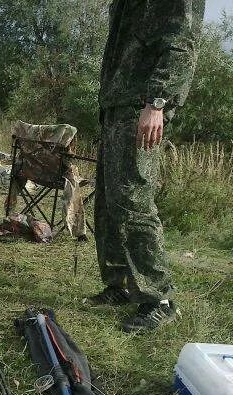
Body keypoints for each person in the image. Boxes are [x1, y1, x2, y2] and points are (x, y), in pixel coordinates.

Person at [87, 0, 204, 332]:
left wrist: (158, 101)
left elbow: (181, 44)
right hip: (116, 105)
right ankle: (120, 285)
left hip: (141, 105)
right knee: (109, 202)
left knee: (133, 201)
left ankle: (160, 300)